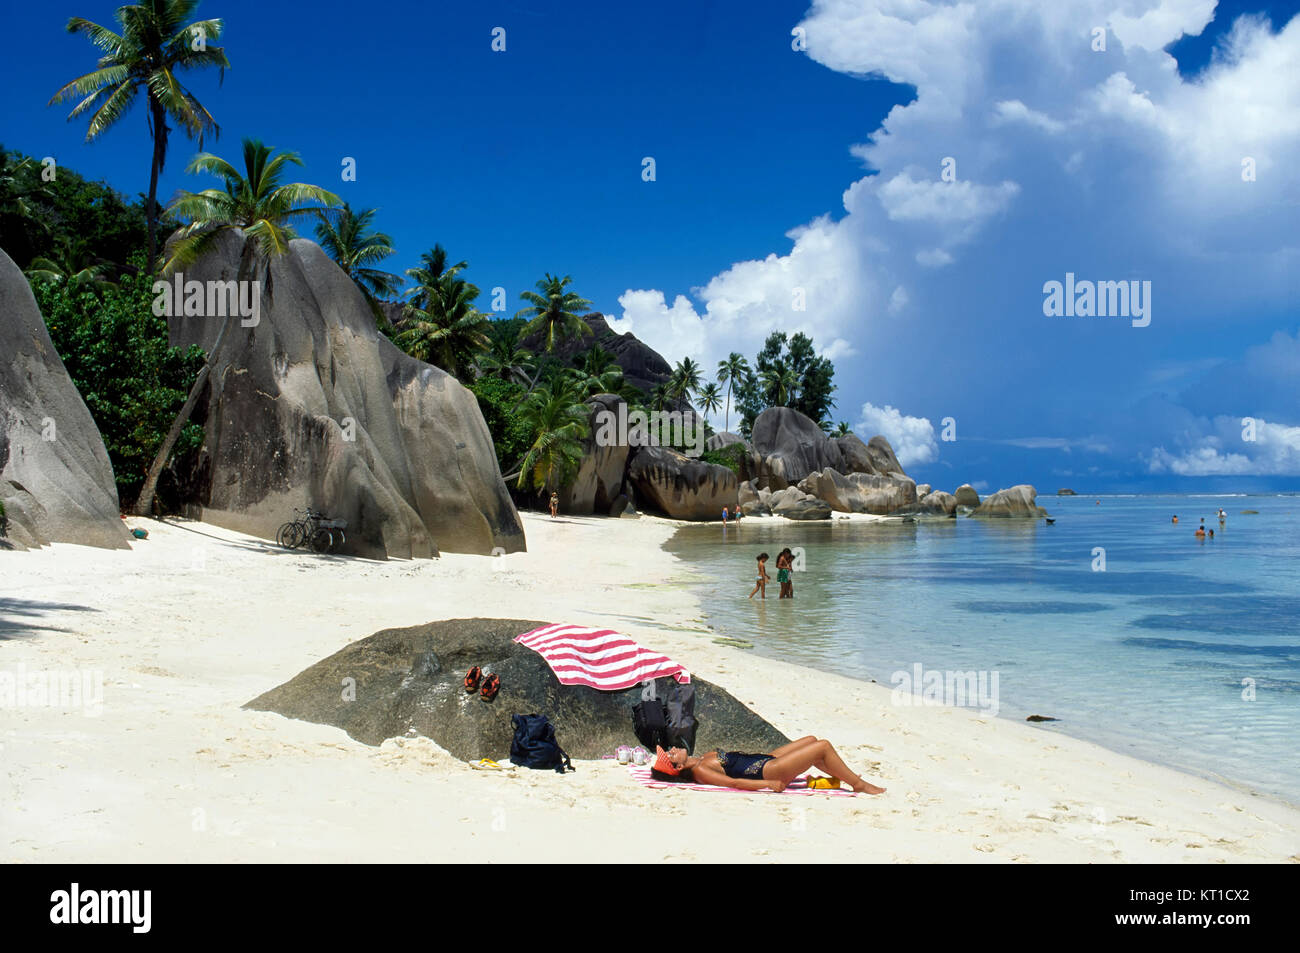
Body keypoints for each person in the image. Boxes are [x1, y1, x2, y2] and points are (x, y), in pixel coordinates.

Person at [652, 736, 885, 795]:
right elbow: (733, 782)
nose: (672, 750)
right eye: (670, 756)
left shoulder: (700, 759)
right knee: (822, 747)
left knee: (812, 740)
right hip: (769, 770)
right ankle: (858, 784)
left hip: (766, 758)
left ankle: (844, 777)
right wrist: (769, 783)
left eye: (669, 750)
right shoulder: (700, 770)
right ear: (679, 768)